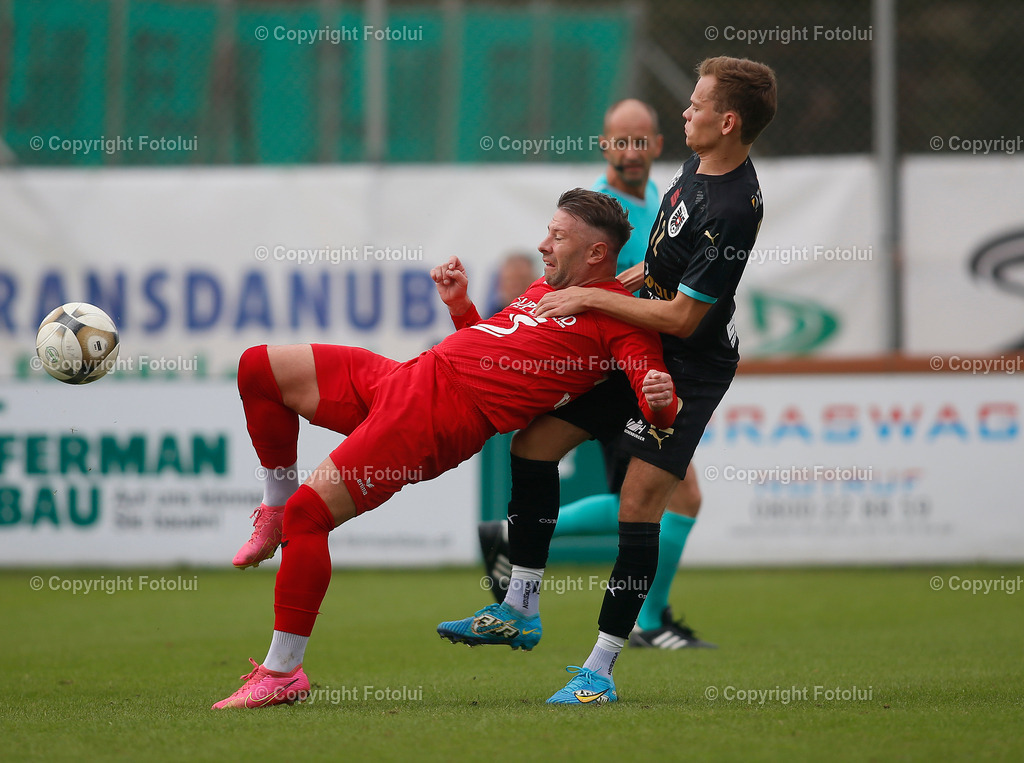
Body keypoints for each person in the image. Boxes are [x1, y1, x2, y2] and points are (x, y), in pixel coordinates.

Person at [213, 188, 679, 709]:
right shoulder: (547, 287)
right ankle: (273, 505)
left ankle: (282, 673)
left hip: (431, 419)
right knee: (258, 368)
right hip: (406, 377)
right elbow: (493, 350)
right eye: (548, 231)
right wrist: (461, 307)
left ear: (596, 252)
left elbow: (655, 403)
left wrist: (661, 402)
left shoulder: (623, 323)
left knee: (310, 515)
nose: (543, 244)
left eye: (557, 236)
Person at [439, 56, 777, 704]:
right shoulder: (697, 166)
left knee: (638, 505)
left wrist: (590, 297)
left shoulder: (734, 206)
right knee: (533, 443)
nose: (686, 112)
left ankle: (599, 671)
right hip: (642, 340)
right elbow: (664, 261)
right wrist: (624, 280)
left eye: (697, 104)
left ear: (728, 121)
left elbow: (683, 317)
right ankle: (519, 606)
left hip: (689, 366)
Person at [477, 98, 714, 650]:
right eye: (620, 140)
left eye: (640, 140)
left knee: (659, 495)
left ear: (657, 145)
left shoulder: (657, 201)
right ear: (605, 145)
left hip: (643, 362)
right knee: (671, 496)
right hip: (617, 369)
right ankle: (647, 623)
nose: (630, 151)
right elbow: (586, 288)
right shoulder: (602, 212)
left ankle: (512, 537)